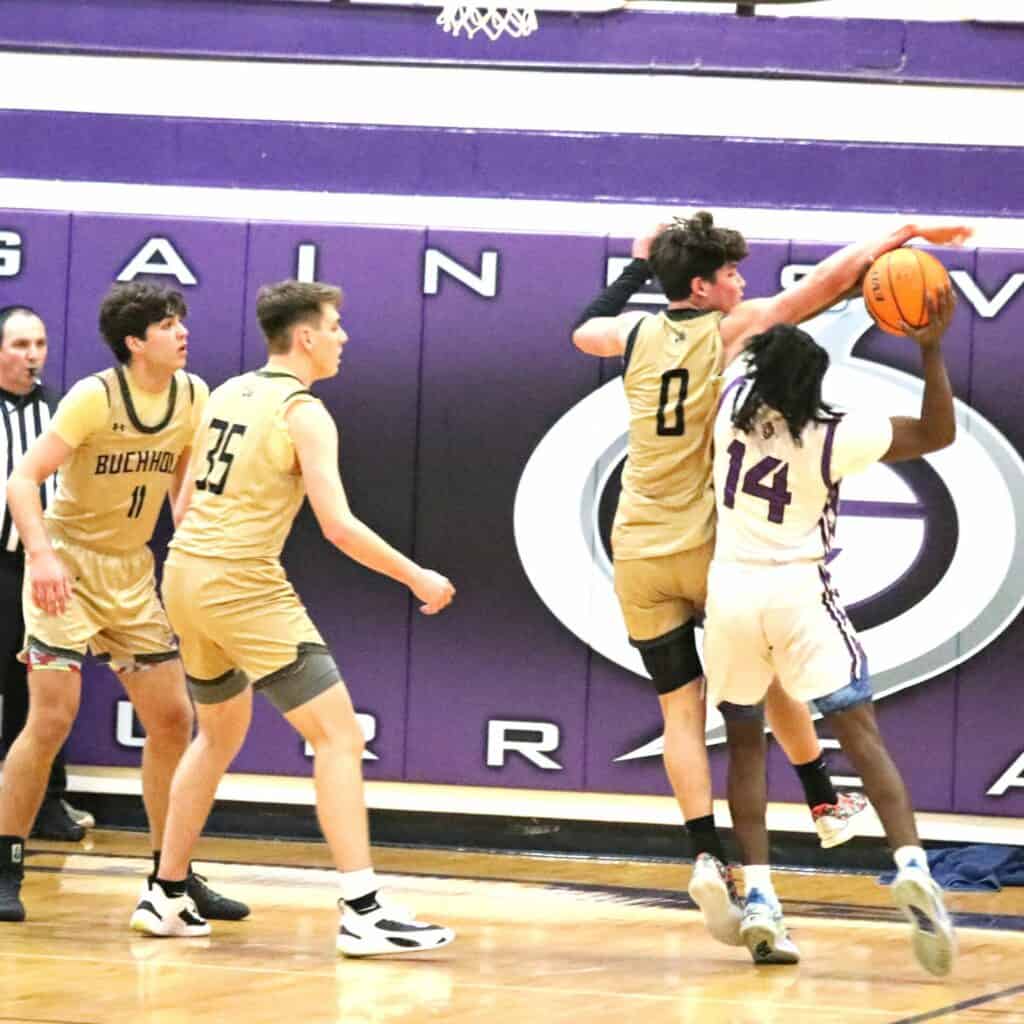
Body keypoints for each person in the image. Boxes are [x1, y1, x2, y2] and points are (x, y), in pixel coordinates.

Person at [571, 212, 970, 960]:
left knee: (692, 715)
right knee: (813, 699)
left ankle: (718, 862)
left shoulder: (661, 359)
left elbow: (585, 328)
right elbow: (823, 288)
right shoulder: (759, 374)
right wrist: (899, 243)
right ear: (703, 284)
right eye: (729, 274)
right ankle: (842, 808)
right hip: (732, 560)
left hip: (648, 546)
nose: (742, 284)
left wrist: (636, 264)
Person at [132, 280, 456, 956]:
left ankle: (165, 892)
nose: (343, 337)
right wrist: (417, 576)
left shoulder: (225, 392)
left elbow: (185, 503)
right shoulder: (303, 411)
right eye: (335, 326)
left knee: (216, 734)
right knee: (338, 736)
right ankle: (363, 908)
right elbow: (338, 527)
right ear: (305, 336)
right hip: (240, 584)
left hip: (185, 574)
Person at [704, 289, 959, 977]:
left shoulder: (725, 408)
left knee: (746, 749)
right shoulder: (835, 433)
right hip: (798, 594)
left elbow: (748, 340)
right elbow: (938, 434)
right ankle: (911, 866)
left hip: (729, 593)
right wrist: (930, 349)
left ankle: (758, 895)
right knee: (860, 734)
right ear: (813, 385)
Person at [0, 283, 247, 925]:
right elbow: (22, 479)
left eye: (181, 322)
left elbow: (182, 486)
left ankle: (172, 876)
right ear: (136, 342)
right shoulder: (94, 396)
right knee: (51, 718)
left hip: (132, 573)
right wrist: (43, 557)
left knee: (171, 719)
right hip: (67, 562)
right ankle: (5, 862)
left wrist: (199, 554)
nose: (183, 332)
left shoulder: (193, 394)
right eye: (168, 325)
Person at [0, 306, 94, 843]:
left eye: (38, 343)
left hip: (46, 570)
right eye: (19, 344)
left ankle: (47, 803)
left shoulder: (62, 412)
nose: (32, 354)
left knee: (46, 689)